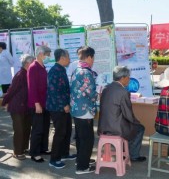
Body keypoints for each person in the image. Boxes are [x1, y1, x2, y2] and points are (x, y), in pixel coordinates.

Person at [98, 66, 147, 162]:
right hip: (115, 128)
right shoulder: (123, 92)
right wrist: (136, 122)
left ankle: (125, 151)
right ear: (123, 78)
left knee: (131, 126)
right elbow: (128, 114)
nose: (129, 79)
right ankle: (133, 155)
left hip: (103, 126)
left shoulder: (106, 88)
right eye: (128, 77)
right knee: (140, 128)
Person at [46, 49, 76, 169]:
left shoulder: (61, 69)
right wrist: (64, 104)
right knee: (60, 132)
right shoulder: (54, 71)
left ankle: (64, 153)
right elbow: (54, 91)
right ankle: (54, 159)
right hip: (57, 107)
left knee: (67, 130)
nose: (69, 60)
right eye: (68, 57)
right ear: (62, 58)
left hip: (63, 106)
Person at [70, 46, 98, 175]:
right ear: (89, 57)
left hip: (76, 108)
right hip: (85, 109)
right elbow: (91, 93)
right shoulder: (86, 72)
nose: (93, 60)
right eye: (93, 58)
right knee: (87, 139)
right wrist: (98, 95)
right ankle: (82, 167)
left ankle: (81, 160)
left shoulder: (76, 70)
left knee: (81, 138)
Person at [2, 54, 35, 160]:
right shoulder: (20, 74)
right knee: (19, 130)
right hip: (17, 107)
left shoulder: (29, 73)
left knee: (26, 128)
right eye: (33, 62)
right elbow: (11, 90)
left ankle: (24, 148)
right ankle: (17, 152)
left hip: (26, 106)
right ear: (27, 63)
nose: (34, 64)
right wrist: (4, 102)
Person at [27, 45, 52, 163]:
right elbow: (32, 87)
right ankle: (34, 153)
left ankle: (43, 148)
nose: (49, 56)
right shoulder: (33, 67)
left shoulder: (43, 67)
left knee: (45, 127)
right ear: (41, 54)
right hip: (37, 103)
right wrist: (37, 103)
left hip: (45, 102)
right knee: (37, 129)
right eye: (48, 54)